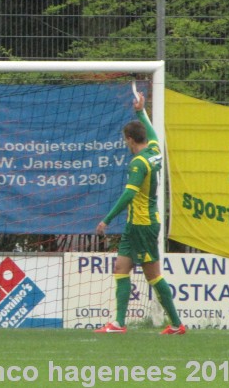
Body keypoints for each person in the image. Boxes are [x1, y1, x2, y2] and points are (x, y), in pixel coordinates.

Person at [95, 92, 185, 335]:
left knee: (153, 275)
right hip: (137, 223)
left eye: (125, 140)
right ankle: (118, 323)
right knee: (120, 269)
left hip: (142, 224)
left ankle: (176, 324)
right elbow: (154, 134)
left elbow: (128, 195)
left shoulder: (138, 163)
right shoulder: (154, 151)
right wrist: (140, 111)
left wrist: (106, 219)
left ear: (129, 139)